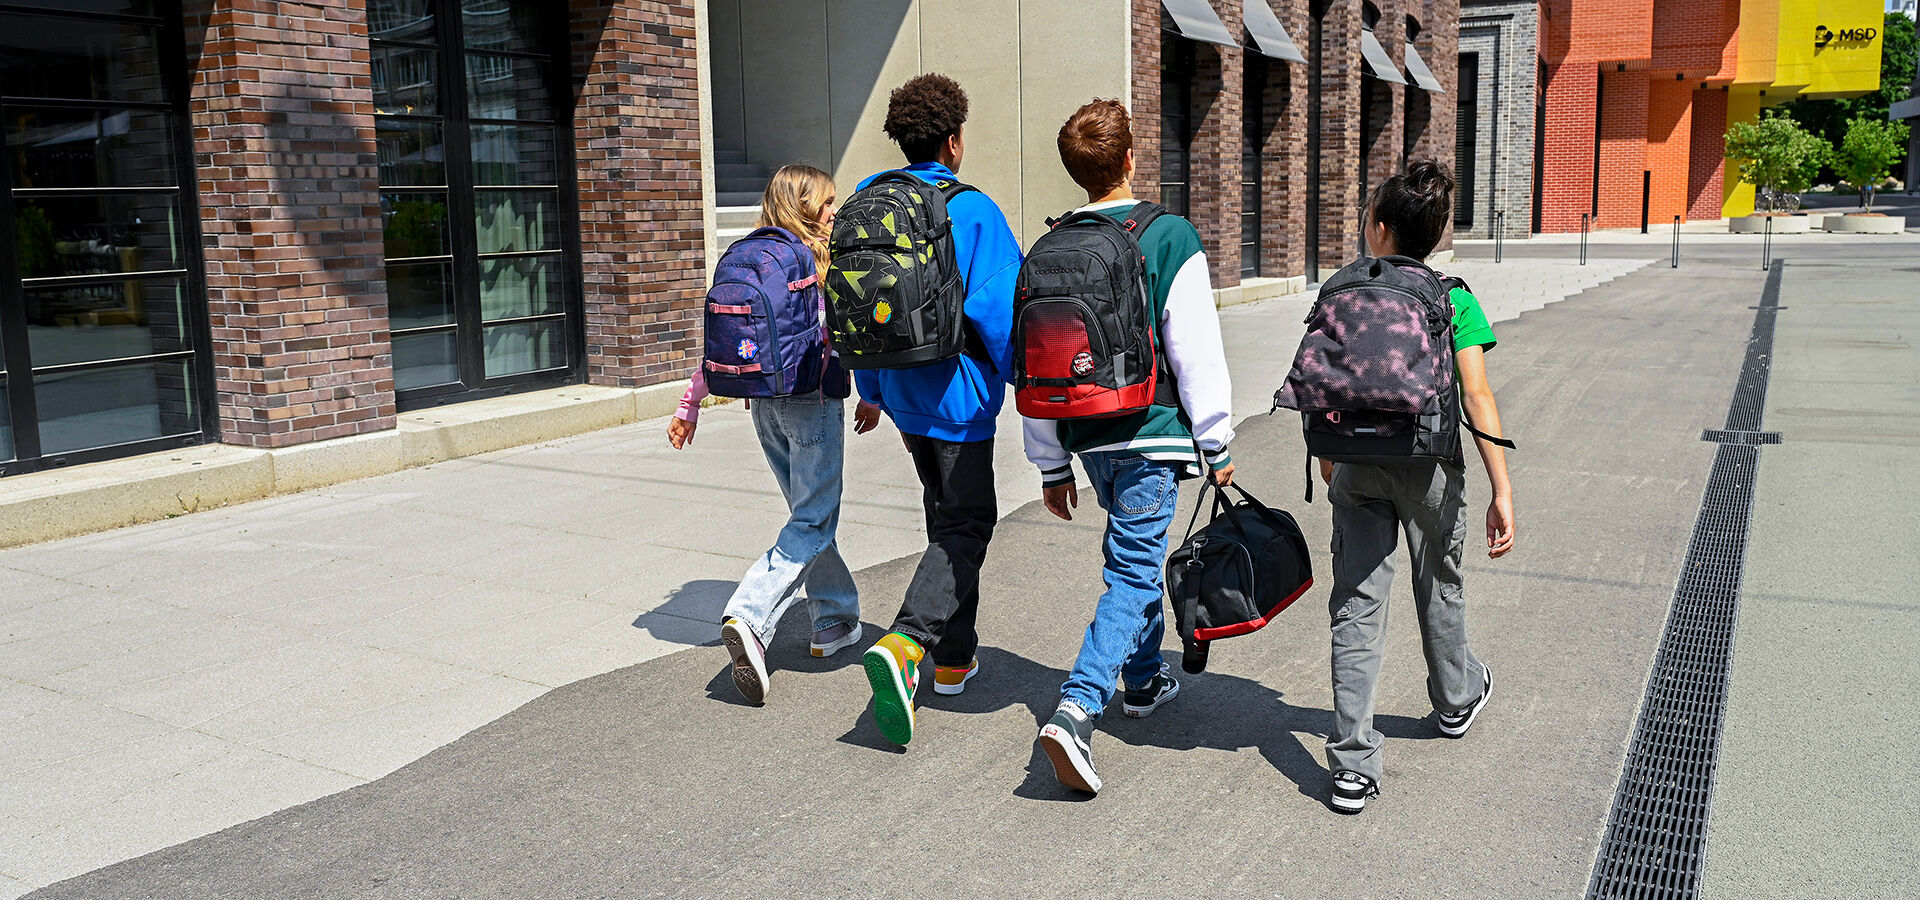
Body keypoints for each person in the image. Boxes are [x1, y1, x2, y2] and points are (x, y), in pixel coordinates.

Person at [1023, 99, 1236, 795]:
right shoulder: (1167, 234)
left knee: (1133, 561)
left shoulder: (1052, 244)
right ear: (1131, 159)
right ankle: (1079, 705)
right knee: (1134, 571)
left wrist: (1050, 463)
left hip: (1086, 435)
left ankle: (1142, 680)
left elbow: (1034, 363)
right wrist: (1216, 438)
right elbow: (1195, 346)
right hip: (1151, 431)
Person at [1321, 160, 1516, 814]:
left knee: (1357, 603)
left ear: (1379, 228)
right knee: (1440, 581)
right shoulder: (1452, 297)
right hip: (1431, 464)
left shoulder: (1342, 289)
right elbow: (1478, 394)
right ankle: (1456, 699)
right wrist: (1501, 488)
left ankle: (1352, 764)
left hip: (1355, 463)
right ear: (1437, 237)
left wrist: (1328, 458)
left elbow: (1324, 383)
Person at [853, 74, 1024, 746]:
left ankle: (953, 663)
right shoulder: (972, 208)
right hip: (958, 396)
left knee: (945, 517)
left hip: (898, 391)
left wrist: (872, 392)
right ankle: (908, 645)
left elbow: (858, 308)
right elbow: (999, 312)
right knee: (969, 522)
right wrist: (1025, 392)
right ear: (954, 141)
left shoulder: (870, 198)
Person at [668, 164, 874, 704]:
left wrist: (691, 403)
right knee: (812, 518)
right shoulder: (817, 262)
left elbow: (724, 340)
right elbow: (848, 334)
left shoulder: (750, 256)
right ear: (805, 206)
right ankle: (752, 615)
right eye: (828, 202)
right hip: (813, 402)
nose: (835, 211)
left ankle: (834, 617)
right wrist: (873, 394)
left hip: (762, 405)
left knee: (808, 517)